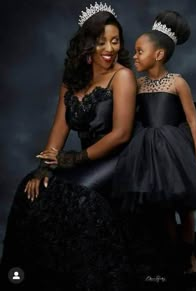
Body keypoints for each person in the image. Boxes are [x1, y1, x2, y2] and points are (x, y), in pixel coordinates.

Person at [1, 3, 136, 290]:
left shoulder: (122, 76)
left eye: (115, 40)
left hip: (119, 159)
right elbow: (59, 129)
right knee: (33, 187)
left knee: (78, 197)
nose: (110, 48)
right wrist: (44, 167)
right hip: (83, 159)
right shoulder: (72, 80)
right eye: (101, 42)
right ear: (87, 45)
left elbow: (122, 134)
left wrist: (74, 159)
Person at [113, 10, 196, 277]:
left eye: (139, 51)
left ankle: (188, 255)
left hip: (176, 149)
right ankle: (172, 257)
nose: (134, 56)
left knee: (185, 207)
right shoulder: (139, 84)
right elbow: (131, 114)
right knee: (163, 209)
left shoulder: (177, 82)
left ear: (157, 55)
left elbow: (192, 122)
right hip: (148, 150)